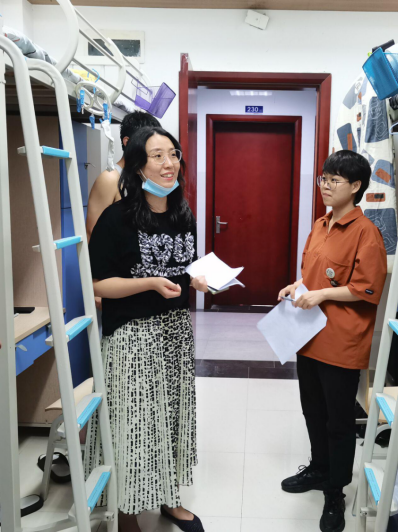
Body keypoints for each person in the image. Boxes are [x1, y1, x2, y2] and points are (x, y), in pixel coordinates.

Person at [85, 126, 208, 532]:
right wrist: (149, 283)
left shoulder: (182, 214)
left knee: (172, 418)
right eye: (157, 156)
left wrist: (197, 279)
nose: (169, 163)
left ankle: (169, 498)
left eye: (173, 154)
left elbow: (182, 268)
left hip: (175, 332)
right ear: (138, 166)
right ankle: (127, 513)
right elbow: (97, 284)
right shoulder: (116, 219)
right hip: (132, 336)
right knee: (135, 425)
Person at [278, 150, 387, 532]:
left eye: (334, 180)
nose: (325, 185)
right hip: (308, 336)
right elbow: (314, 274)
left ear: (355, 186)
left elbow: (367, 289)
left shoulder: (366, 233)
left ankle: (335, 492)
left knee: (339, 422)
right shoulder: (321, 224)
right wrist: (297, 286)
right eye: (323, 178)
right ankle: (319, 469)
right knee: (313, 411)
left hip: (341, 343)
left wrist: (322, 294)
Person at [86, 111, 161, 241]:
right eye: (148, 143)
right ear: (127, 142)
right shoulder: (110, 179)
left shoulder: (145, 178)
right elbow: (93, 231)